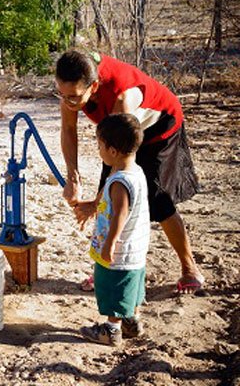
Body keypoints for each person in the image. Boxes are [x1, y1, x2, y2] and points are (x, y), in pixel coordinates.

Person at [55, 50, 204, 294]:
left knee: (157, 201)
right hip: (118, 130)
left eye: (73, 97)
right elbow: (69, 130)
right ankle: (108, 269)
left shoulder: (121, 96)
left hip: (159, 127)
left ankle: (190, 269)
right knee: (110, 198)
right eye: (61, 94)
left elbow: (120, 161)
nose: (67, 102)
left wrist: (95, 202)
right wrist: (73, 178)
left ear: (93, 86)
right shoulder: (73, 86)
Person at [79, 113, 149, 346]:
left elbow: (119, 214)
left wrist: (110, 243)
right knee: (131, 285)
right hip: (136, 248)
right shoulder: (135, 172)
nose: (98, 150)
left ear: (112, 151)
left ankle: (111, 330)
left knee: (113, 286)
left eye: (99, 145)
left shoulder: (119, 182)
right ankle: (132, 320)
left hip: (119, 250)